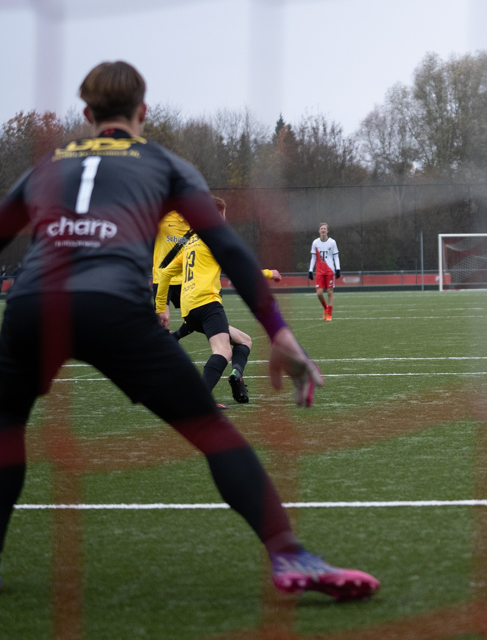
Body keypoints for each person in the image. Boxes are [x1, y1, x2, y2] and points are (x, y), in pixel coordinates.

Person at [0, 61, 379, 599]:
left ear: (85, 115)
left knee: (7, 427)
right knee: (212, 431)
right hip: (112, 307)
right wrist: (279, 333)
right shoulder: (162, 162)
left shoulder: (45, 166)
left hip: (33, 305)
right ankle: (288, 554)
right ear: (143, 112)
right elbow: (228, 248)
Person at [156, 197, 282, 407]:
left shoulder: (190, 243)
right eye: (223, 215)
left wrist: (161, 307)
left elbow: (165, 273)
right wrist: (270, 273)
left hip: (190, 310)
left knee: (244, 340)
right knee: (223, 350)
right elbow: (242, 270)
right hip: (208, 305)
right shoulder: (213, 240)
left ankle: (236, 374)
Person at [152, 209, 190, 333]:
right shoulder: (164, 216)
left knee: (199, 316)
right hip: (162, 277)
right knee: (162, 320)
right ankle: (162, 345)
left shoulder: (196, 221)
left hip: (186, 278)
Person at [308, 223, 340, 321]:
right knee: (319, 293)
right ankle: (326, 308)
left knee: (330, 292)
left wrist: (338, 268)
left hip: (330, 271)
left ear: (327, 231)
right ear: (319, 231)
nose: (323, 230)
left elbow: (335, 256)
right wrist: (310, 270)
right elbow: (313, 257)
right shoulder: (315, 243)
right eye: (321, 229)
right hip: (320, 271)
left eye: (324, 229)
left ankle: (329, 314)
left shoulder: (332, 242)